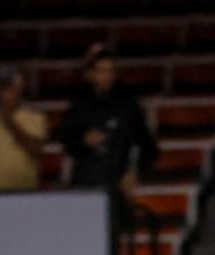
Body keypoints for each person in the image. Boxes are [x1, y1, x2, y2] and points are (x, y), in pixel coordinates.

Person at [59, 47, 156, 198]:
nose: (107, 76)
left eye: (111, 71)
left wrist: (135, 172)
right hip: (85, 185)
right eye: (102, 71)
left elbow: (148, 147)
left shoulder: (128, 106)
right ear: (91, 74)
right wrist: (83, 140)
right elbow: (67, 140)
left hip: (117, 187)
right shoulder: (79, 104)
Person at [0, 68, 49, 193]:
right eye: (3, 89)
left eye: (12, 89)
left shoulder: (36, 119)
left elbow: (36, 150)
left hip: (27, 194)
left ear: (20, 89)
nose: (7, 94)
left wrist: (10, 123)